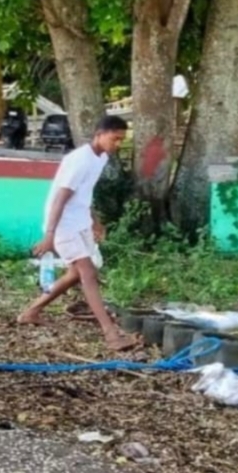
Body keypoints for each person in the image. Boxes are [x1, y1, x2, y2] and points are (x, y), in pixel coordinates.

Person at [17, 115, 140, 352]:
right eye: (114, 139)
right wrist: (50, 235)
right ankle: (111, 335)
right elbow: (59, 199)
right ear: (99, 134)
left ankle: (31, 312)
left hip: (80, 220)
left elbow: (85, 193)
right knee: (88, 273)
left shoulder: (101, 158)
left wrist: (95, 221)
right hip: (63, 224)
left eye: (121, 140)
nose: (117, 144)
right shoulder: (79, 160)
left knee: (75, 273)